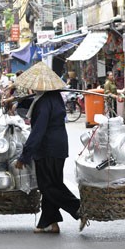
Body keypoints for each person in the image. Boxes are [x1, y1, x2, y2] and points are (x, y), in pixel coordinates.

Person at [13, 62, 84, 233]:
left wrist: (25, 156)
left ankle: (79, 209)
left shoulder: (43, 102)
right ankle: (49, 222)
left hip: (47, 149)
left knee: (48, 186)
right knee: (52, 183)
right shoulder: (53, 98)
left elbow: (38, 131)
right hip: (58, 147)